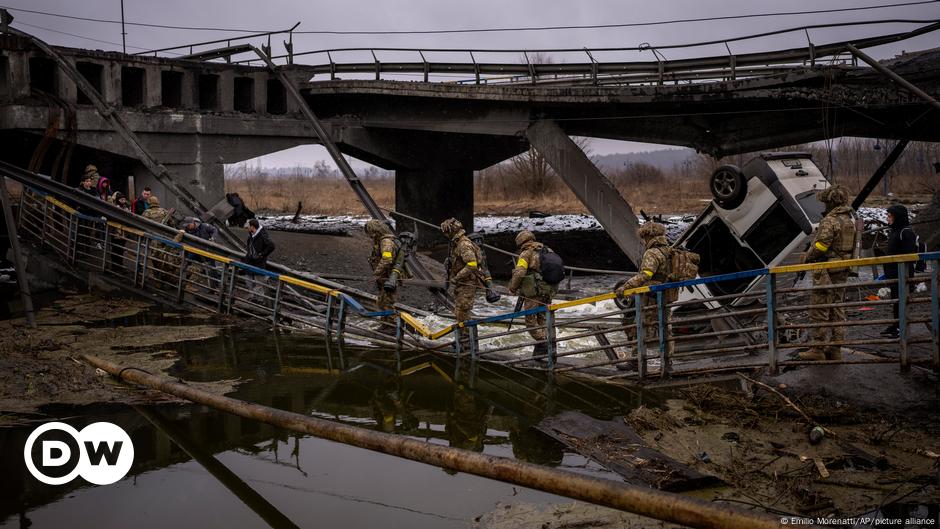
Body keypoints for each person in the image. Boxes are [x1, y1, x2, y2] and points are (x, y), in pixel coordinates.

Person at [799, 185, 857, 361]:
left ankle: (817, 348)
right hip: (843, 268)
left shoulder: (830, 221)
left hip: (827, 271)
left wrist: (807, 257)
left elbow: (821, 246)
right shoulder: (849, 220)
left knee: (820, 307)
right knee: (837, 307)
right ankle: (836, 348)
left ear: (830, 202)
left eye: (825, 203)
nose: (824, 207)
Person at [614, 222, 676, 361]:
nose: (643, 242)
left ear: (648, 236)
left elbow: (646, 274)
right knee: (666, 328)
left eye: (644, 238)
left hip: (651, 297)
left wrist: (626, 286)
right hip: (667, 294)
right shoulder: (669, 250)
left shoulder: (652, 253)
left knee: (640, 327)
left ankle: (636, 361)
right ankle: (668, 360)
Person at [508, 230, 557, 357]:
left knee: (530, 321)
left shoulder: (526, 253)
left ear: (520, 242)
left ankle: (544, 343)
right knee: (542, 318)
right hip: (549, 291)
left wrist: (512, 287)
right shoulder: (547, 250)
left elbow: (519, 273)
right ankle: (545, 348)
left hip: (534, 292)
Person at [880, 204, 918, 339]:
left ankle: (901, 328)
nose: (887, 219)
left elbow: (910, 256)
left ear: (898, 217)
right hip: (894, 275)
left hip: (903, 275)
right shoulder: (895, 231)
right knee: (896, 301)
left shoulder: (905, 232)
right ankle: (896, 325)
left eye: (890, 216)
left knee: (902, 302)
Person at [441, 217, 484, 323]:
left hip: (467, 283)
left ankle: (466, 338)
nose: (445, 235)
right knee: (459, 312)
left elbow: (472, 264)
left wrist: (457, 277)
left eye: (446, 232)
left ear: (451, 231)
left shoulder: (463, 244)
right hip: (462, 283)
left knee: (463, 313)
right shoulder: (456, 243)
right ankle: (463, 337)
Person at [364, 219, 399, 312]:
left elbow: (387, 259)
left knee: (387, 302)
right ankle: (385, 323)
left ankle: (391, 324)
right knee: (382, 301)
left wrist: (376, 273)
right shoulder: (380, 241)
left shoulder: (386, 242)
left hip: (388, 277)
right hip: (383, 277)